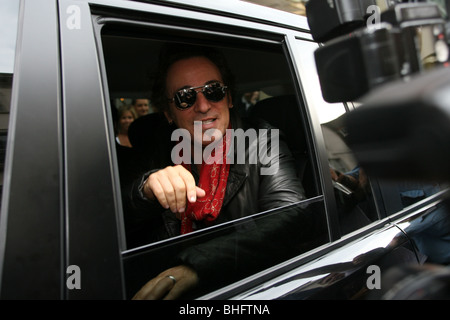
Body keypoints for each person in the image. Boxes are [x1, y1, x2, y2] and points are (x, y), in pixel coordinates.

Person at [129, 44, 319, 300]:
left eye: (213, 91)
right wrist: (145, 190)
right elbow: (110, 221)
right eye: (185, 97)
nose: (204, 106)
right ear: (169, 113)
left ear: (229, 98)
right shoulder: (157, 151)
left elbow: (291, 216)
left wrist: (197, 266)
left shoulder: (261, 142)